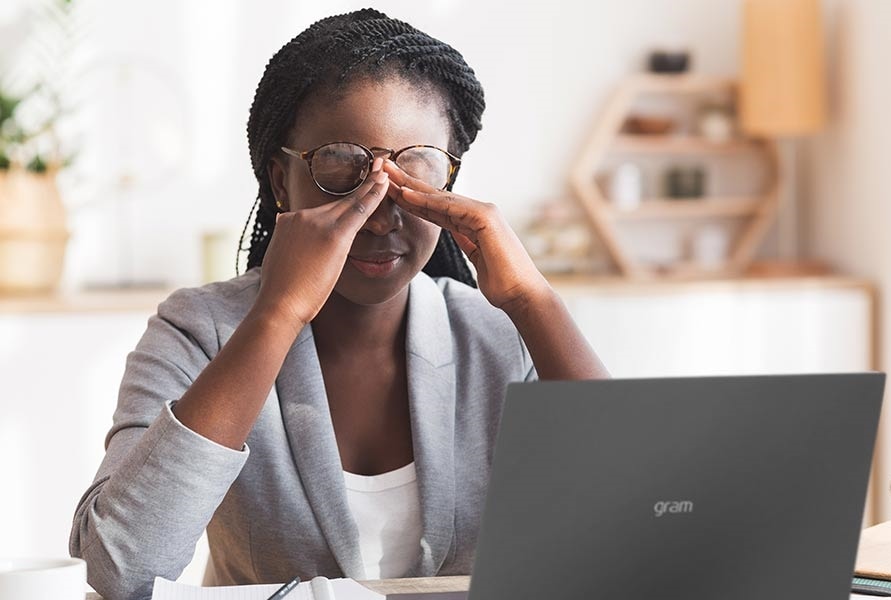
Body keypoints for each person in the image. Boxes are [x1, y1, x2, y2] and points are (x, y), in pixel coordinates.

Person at [70, 8, 608, 600]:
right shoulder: (199, 330)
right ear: (281, 183)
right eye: (341, 167)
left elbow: (639, 530)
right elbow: (116, 572)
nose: (380, 214)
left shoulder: (498, 335)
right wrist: (276, 316)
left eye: (417, 170)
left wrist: (533, 301)